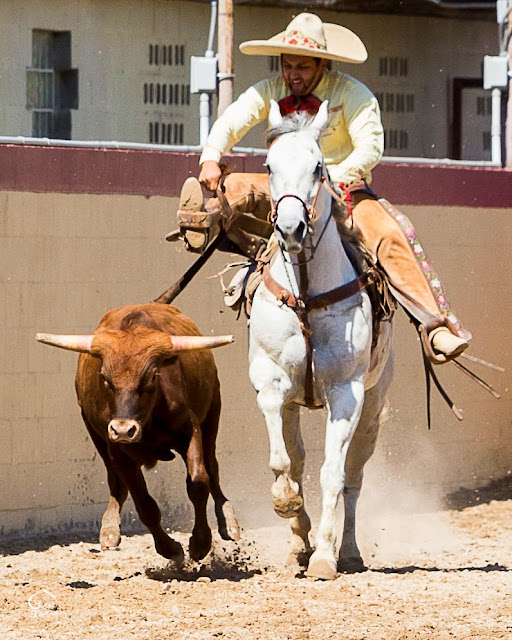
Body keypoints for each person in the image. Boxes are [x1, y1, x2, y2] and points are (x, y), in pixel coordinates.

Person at [178, 12, 470, 363]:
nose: (292, 74)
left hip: (346, 192)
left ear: (322, 64)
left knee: (391, 233)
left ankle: (434, 327)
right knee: (234, 187)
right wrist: (210, 157)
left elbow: (370, 147)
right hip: (286, 190)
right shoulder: (271, 90)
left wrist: (330, 179)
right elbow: (233, 119)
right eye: (287, 65)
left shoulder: (352, 94)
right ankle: (202, 225)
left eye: (302, 66)